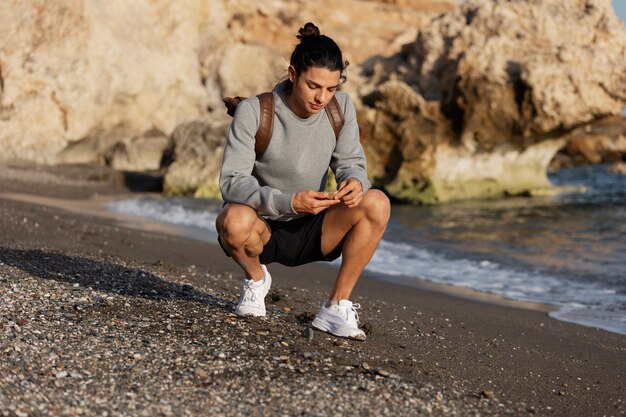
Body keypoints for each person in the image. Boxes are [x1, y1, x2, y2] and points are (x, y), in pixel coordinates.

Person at [216, 22, 390, 341]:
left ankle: (336, 307)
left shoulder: (341, 108)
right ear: (293, 74)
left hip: (315, 227)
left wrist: (354, 181)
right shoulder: (255, 112)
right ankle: (256, 281)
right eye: (313, 86)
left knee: (377, 202)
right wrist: (289, 201)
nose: (322, 97)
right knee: (232, 220)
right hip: (263, 226)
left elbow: (351, 162)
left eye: (331, 88)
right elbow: (231, 182)